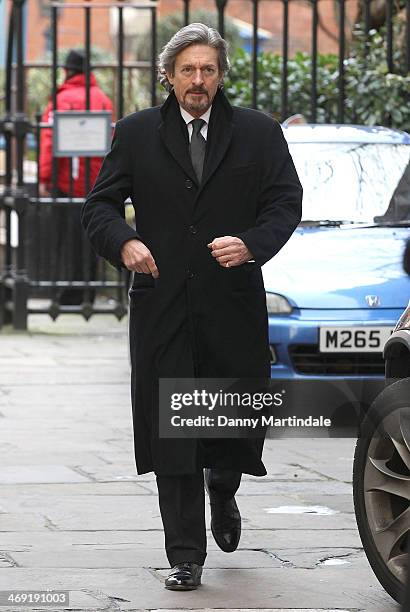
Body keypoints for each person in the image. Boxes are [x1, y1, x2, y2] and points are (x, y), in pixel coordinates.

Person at [81, 23, 303, 590]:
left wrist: (254, 243)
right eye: (188, 70)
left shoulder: (258, 134)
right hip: (164, 309)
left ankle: (224, 487)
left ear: (221, 75)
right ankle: (184, 554)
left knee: (228, 427)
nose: (198, 80)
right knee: (173, 436)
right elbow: (99, 207)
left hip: (232, 305)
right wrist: (124, 242)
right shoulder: (135, 134)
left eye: (208, 69)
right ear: (169, 76)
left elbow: (285, 201)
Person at [39, 49, 114, 305]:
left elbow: (49, 143)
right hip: (96, 181)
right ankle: (89, 291)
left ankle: (69, 292)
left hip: (66, 182)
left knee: (66, 238)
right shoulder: (102, 98)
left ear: (67, 71)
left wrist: (45, 177)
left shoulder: (61, 100)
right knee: (90, 237)